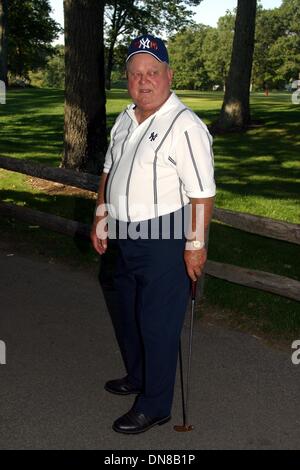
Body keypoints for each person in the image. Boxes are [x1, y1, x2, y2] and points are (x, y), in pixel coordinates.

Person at [90, 34, 216, 434]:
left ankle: (155, 404)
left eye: (153, 73)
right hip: (124, 232)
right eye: (135, 74)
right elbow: (109, 170)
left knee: (157, 323)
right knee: (128, 313)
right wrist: (101, 213)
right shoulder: (126, 117)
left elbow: (202, 194)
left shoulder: (186, 125)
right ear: (127, 79)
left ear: (168, 75)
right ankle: (139, 377)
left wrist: (195, 246)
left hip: (165, 236)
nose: (144, 81)